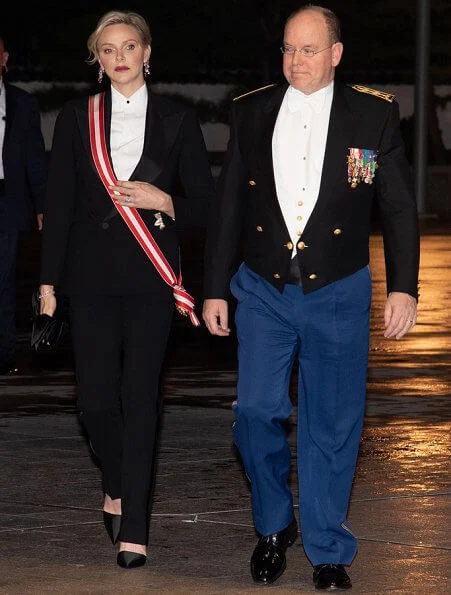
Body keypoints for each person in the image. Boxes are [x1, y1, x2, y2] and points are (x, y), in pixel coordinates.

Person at [203, 4, 419, 591]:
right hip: (263, 287)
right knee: (254, 411)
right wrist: (214, 288)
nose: (294, 60)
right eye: (288, 49)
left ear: (335, 54)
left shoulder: (373, 115)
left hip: (339, 291)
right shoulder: (250, 111)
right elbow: (229, 208)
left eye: (307, 50)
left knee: (332, 423)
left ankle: (328, 550)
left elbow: (396, 207)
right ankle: (274, 525)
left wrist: (403, 286)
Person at [39, 10, 215, 568]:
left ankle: (134, 525)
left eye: (129, 46)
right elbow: (60, 205)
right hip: (88, 280)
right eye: (108, 49)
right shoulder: (75, 117)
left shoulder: (178, 120)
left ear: (146, 53)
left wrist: (165, 202)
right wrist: (47, 286)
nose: (119, 57)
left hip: (150, 278)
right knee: (94, 402)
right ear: (98, 59)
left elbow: (207, 207)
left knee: (140, 399)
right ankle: (116, 481)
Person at [0, 34, 48, 375]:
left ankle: (3, 355)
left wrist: (44, 204)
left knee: (3, 280)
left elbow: (35, 159)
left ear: (4, 58)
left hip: (7, 200)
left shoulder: (22, 104)